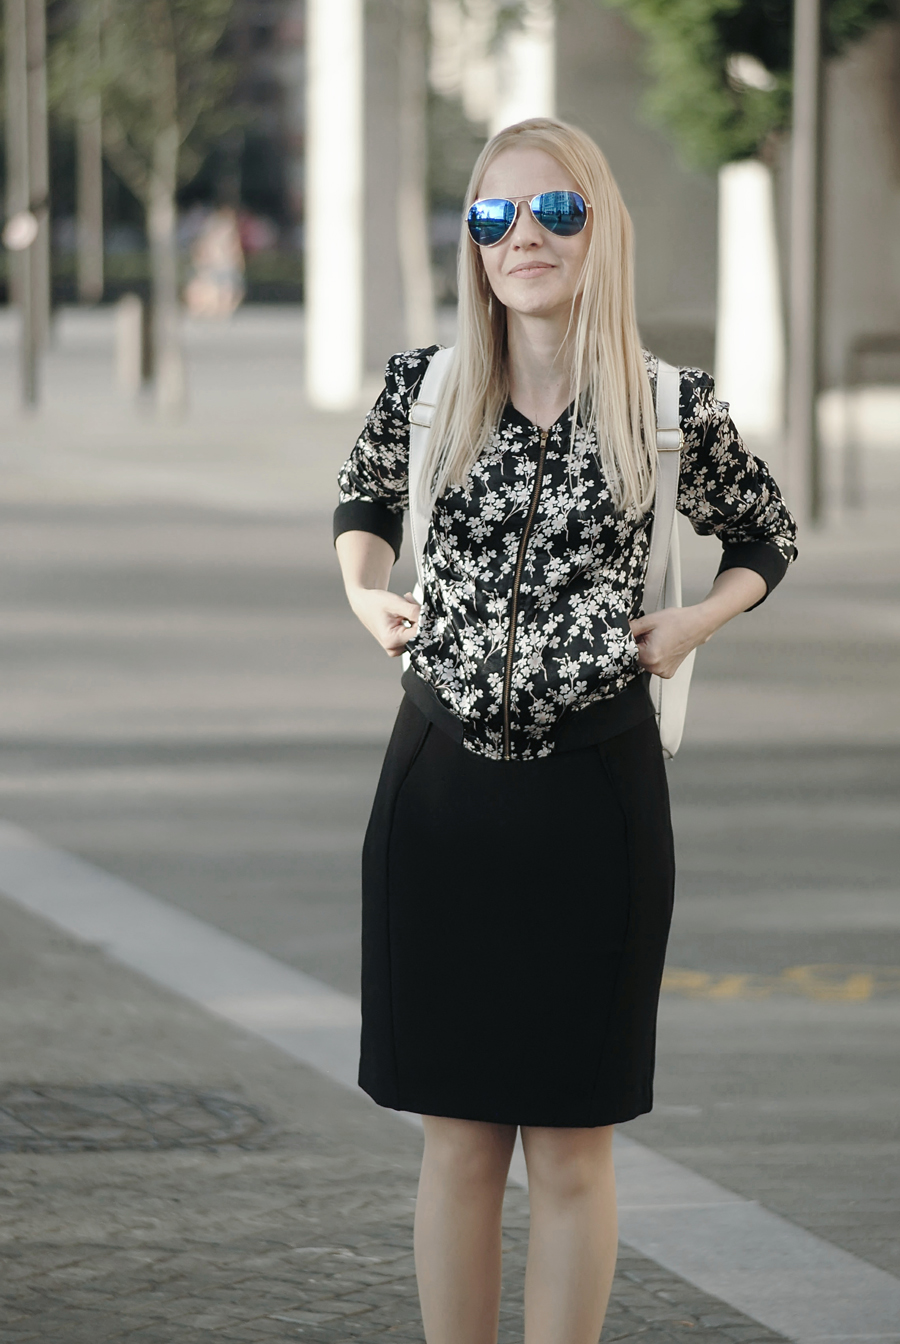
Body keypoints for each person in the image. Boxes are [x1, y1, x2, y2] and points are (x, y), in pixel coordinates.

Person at [333, 117, 796, 1344]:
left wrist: (696, 619)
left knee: (575, 1147)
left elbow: (767, 536)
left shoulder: (668, 409)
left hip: (597, 801)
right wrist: (360, 585)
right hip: (438, 800)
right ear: (472, 244)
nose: (520, 237)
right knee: (459, 1142)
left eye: (552, 213)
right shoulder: (425, 393)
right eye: (491, 217)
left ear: (600, 230)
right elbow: (364, 499)